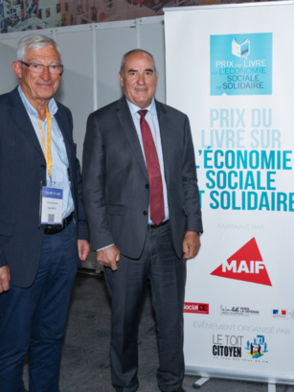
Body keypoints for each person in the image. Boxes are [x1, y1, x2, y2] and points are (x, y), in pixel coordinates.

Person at [0, 34, 90, 392]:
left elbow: (70, 176)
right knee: (13, 347)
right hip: (16, 250)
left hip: (63, 244)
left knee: (50, 340)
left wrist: (81, 231)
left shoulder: (62, 115)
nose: (46, 74)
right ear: (19, 69)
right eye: (37, 65)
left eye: (54, 66)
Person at [82, 49, 202, 392]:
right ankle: (124, 386)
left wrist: (192, 225)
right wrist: (102, 241)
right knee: (124, 323)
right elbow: (92, 187)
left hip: (170, 238)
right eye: (133, 73)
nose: (141, 80)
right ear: (121, 78)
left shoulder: (177, 120)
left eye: (147, 72)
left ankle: (171, 384)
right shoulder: (102, 121)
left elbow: (187, 178)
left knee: (170, 321)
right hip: (123, 242)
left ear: (156, 78)